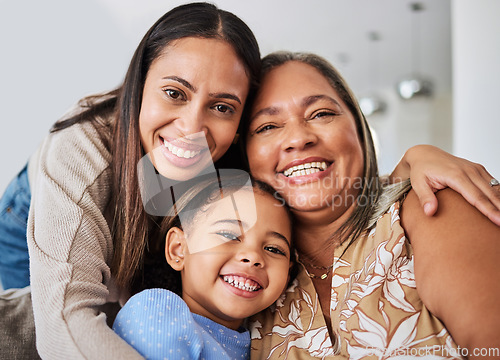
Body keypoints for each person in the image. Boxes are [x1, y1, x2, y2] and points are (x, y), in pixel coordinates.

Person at [0, 2, 498, 359]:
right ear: (139, 84)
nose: (194, 125)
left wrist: (410, 162)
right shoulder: (88, 147)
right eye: (174, 92)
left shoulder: (235, 174)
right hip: (37, 235)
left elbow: (320, 178)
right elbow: (64, 320)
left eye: (221, 106)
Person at [245, 51, 500, 359]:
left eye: (321, 113)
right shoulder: (241, 272)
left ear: (359, 127)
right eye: (267, 127)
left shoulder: (430, 206)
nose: (298, 139)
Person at [113, 172, 294, 359]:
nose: (253, 256)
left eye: (274, 249)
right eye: (229, 235)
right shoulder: (157, 311)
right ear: (178, 249)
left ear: (287, 276)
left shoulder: (275, 345)